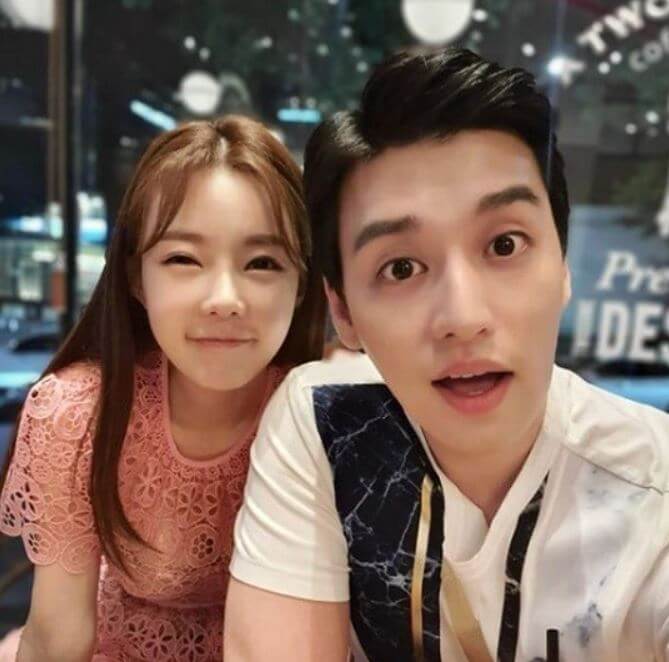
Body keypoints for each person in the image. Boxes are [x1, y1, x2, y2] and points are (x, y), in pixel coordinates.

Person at [224, 48, 669, 662]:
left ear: (563, 266)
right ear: (343, 311)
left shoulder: (653, 492)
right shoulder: (329, 424)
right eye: (401, 268)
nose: (462, 317)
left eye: (505, 244)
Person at [0, 115, 326, 661]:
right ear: (136, 278)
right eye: (183, 259)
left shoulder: (328, 414)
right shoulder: (76, 413)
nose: (224, 299)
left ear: (300, 285)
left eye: (262, 262)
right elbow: (59, 637)